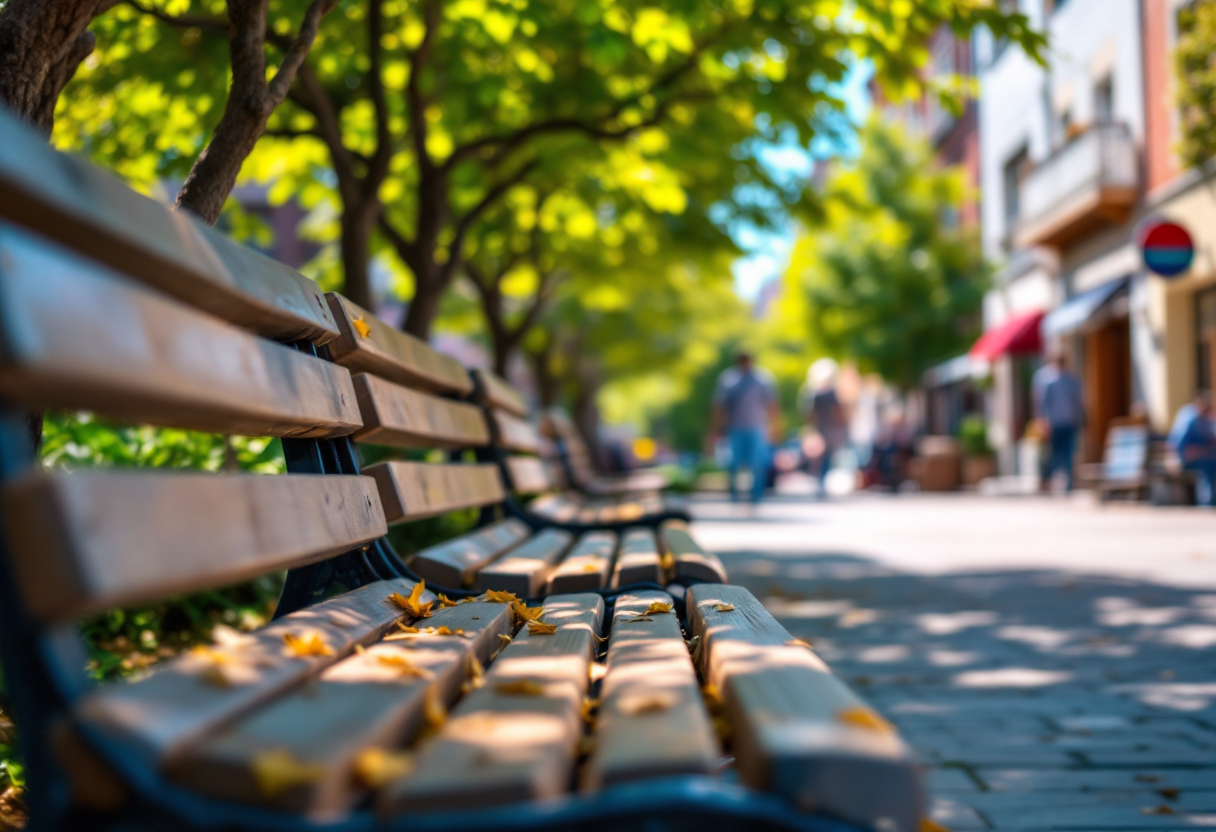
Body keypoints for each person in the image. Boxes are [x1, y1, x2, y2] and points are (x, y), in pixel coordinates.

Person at [710, 350, 779, 503]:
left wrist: (775, 426)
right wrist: (716, 428)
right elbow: (719, 406)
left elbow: (771, 404)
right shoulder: (729, 380)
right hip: (735, 428)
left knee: (757, 463)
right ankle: (734, 494)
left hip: (757, 427)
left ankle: (756, 495)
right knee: (734, 463)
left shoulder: (762, 379)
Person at [1032, 352, 1085, 491]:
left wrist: (1042, 420)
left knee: (1058, 454)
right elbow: (1078, 402)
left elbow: (1043, 403)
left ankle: (1056, 482)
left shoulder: (1052, 380)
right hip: (1064, 422)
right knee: (1062, 453)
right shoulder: (1069, 380)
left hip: (1059, 422)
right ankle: (1059, 482)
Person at [801, 358, 849, 498]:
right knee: (826, 458)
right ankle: (821, 482)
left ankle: (819, 481)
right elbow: (838, 412)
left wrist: (811, 428)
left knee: (819, 458)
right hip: (831, 430)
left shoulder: (814, 393)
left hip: (820, 429)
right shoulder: (832, 393)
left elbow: (810, 414)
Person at [1168, 390, 1216, 506]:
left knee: (1211, 461)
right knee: (1210, 465)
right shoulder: (1190, 417)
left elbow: (1210, 437)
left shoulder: (1202, 418)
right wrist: (1176, 457)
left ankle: (1208, 501)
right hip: (1184, 458)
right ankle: (1207, 503)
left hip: (1198, 455)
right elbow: (1178, 442)